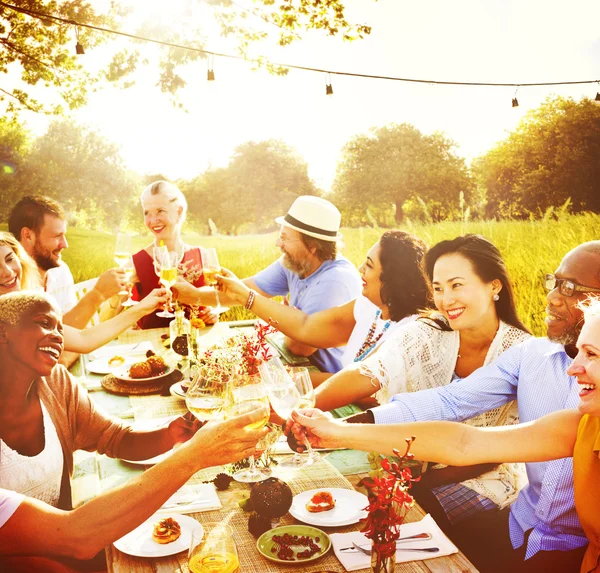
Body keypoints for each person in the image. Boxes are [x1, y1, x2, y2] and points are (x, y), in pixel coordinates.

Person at [290, 240, 600, 572]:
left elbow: (475, 449)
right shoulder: (537, 363)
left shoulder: (562, 393)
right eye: (554, 283)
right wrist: (340, 429)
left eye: (569, 288)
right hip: (521, 527)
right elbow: (453, 411)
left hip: (578, 552)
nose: (551, 297)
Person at [0, 290, 268, 571]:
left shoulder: (54, 383)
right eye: (43, 322)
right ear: (3, 331)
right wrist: (194, 455)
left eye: (60, 327)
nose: (57, 335)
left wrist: (169, 435)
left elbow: (114, 437)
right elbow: (75, 537)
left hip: (64, 547)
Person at [218, 230, 429, 391]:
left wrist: (283, 379)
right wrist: (245, 296)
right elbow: (306, 327)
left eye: (370, 265)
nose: (360, 269)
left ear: (393, 280)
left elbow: (365, 392)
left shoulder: (412, 331)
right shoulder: (369, 306)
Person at [175, 195, 362, 372]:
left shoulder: (335, 281)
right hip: (298, 365)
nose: (277, 244)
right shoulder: (294, 262)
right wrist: (193, 295)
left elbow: (300, 347)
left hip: (328, 379)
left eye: (285, 238)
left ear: (312, 246)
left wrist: (285, 323)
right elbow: (241, 290)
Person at [0, 232, 167, 357]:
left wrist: (143, 307)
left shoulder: (24, 310)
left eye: (9, 259)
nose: (7, 272)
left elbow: (84, 339)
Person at [8, 195, 126, 328]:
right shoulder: (10, 283)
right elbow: (45, 339)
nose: (65, 244)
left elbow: (73, 329)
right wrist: (97, 294)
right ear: (28, 236)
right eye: (57, 236)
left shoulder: (61, 270)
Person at [131, 180, 217, 329]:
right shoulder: (136, 263)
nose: (152, 220)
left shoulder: (203, 256)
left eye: (160, 211)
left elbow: (216, 301)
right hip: (152, 349)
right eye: (147, 213)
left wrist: (212, 313)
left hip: (197, 347)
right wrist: (115, 299)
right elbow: (108, 319)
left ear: (178, 212)